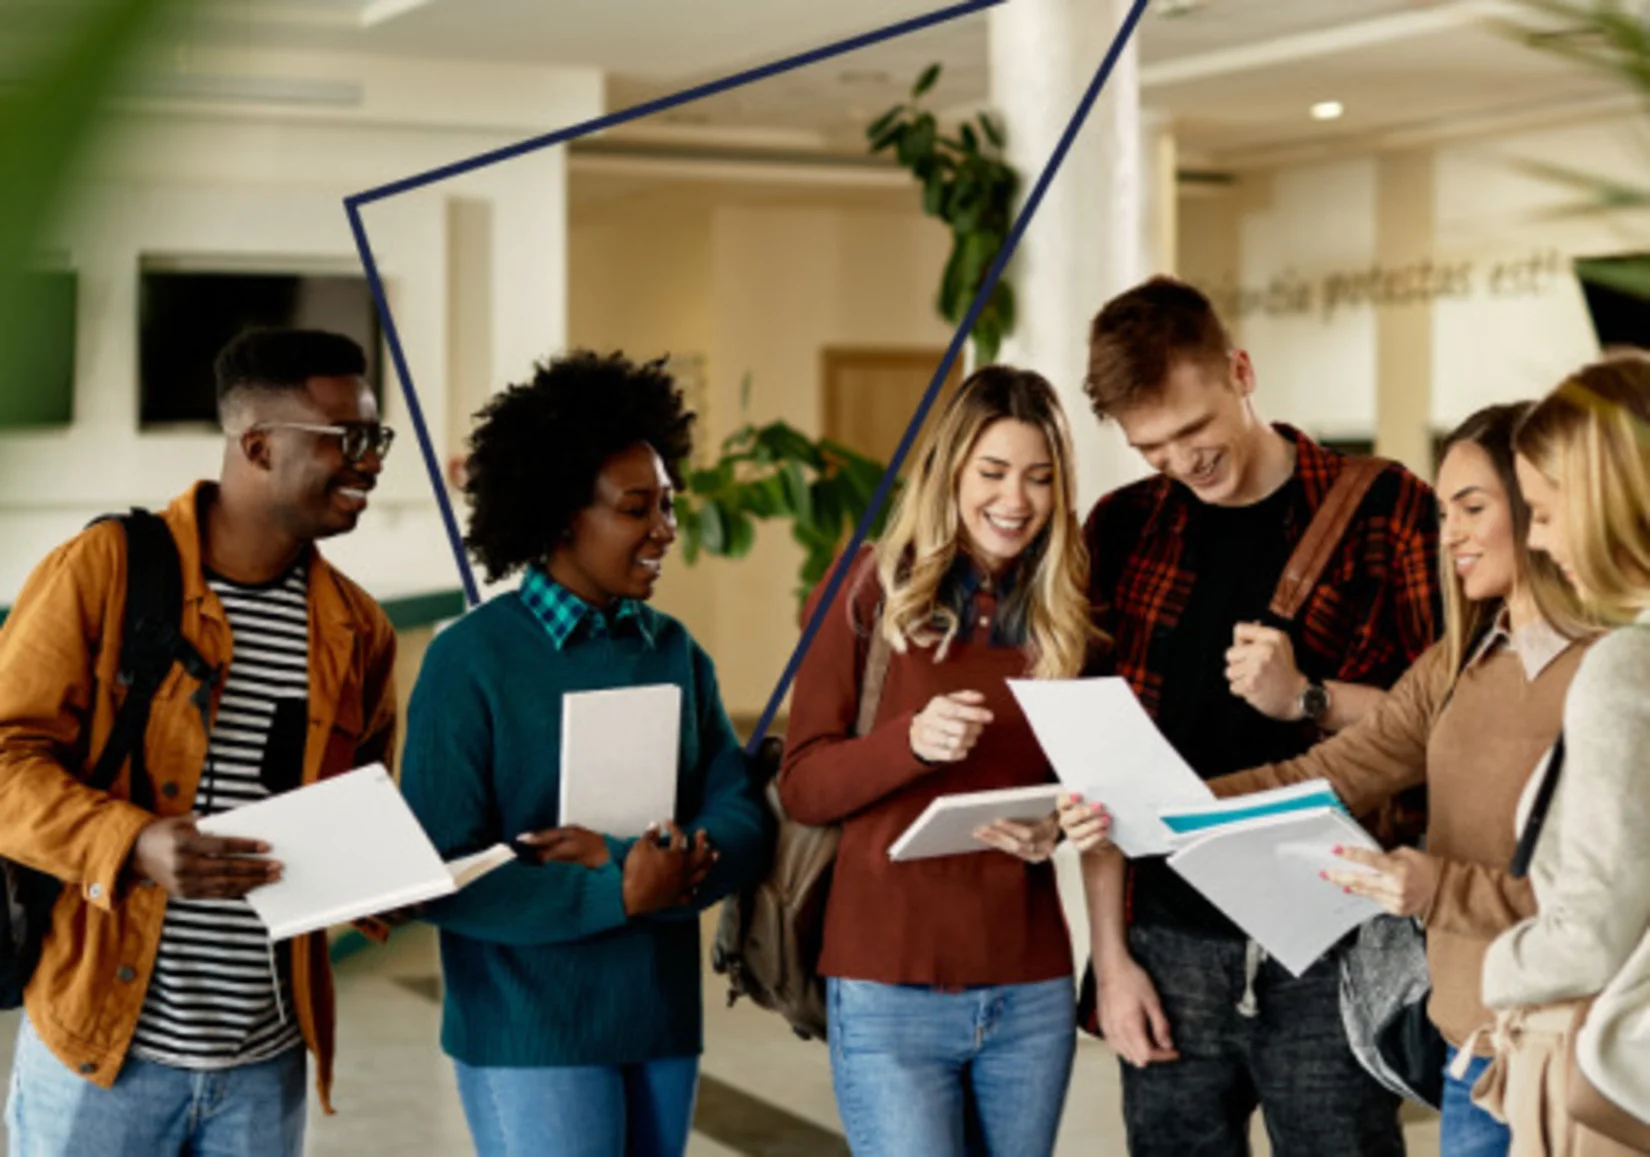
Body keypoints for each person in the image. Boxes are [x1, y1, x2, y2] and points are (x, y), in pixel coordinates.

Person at [1064, 402, 1593, 1155]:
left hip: (1576, 1049)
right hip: (1472, 1050)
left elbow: (1609, 895)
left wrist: (1436, 887)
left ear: (1543, 501)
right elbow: (1330, 771)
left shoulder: (1610, 671)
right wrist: (1151, 807)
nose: (1453, 535)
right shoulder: (1456, 664)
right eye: (1447, 512)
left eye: (1474, 507)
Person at [0, 328, 399, 1156]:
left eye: (377, 437)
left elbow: (362, 808)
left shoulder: (356, 627)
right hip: (100, 1057)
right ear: (258, 445)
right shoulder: (105, 568)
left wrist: (394, 877)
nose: (370, 460)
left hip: (267, 1063)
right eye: (349, 438)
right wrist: (132, 839)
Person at [1068, 276, 1441, 1156]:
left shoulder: (1387, 512)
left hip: (1333, 935)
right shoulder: (1122, 527)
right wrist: (1111, 960)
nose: (1183, 462)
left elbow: (1447, 729)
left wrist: (1308, 699)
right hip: (1165, 939)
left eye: (1195, 430)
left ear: (1240, 370)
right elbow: (1099, 767)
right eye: (1153, 448)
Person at [397, 351, 769, 1157]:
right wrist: (618, 890)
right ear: (566, 514)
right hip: (527, 1027)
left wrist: (652, 861)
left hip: (659, 1017)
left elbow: (738, 810)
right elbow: (436, 875)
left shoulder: (675, 651)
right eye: (639, 508)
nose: (666, 529)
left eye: (668, 504)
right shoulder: (469, 661)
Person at [777, 365, 1096, 1157]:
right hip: (888, 985)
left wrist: (1056, 825)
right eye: (992, 472)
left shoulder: (1067, 610)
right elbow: (805, 784)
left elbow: (1089, 777)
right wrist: (908, 743)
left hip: (1029, 985)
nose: (1015, 500)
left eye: (1039, 478)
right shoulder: (867, 588)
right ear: (950, 469)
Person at [1475, 354, 1650, 1156]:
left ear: (1605, 498)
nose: (1538, 541)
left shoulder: (1624, 667)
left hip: (1592, 1058)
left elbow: (1591, 932)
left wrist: (1495, 968)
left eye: (1543, 511)